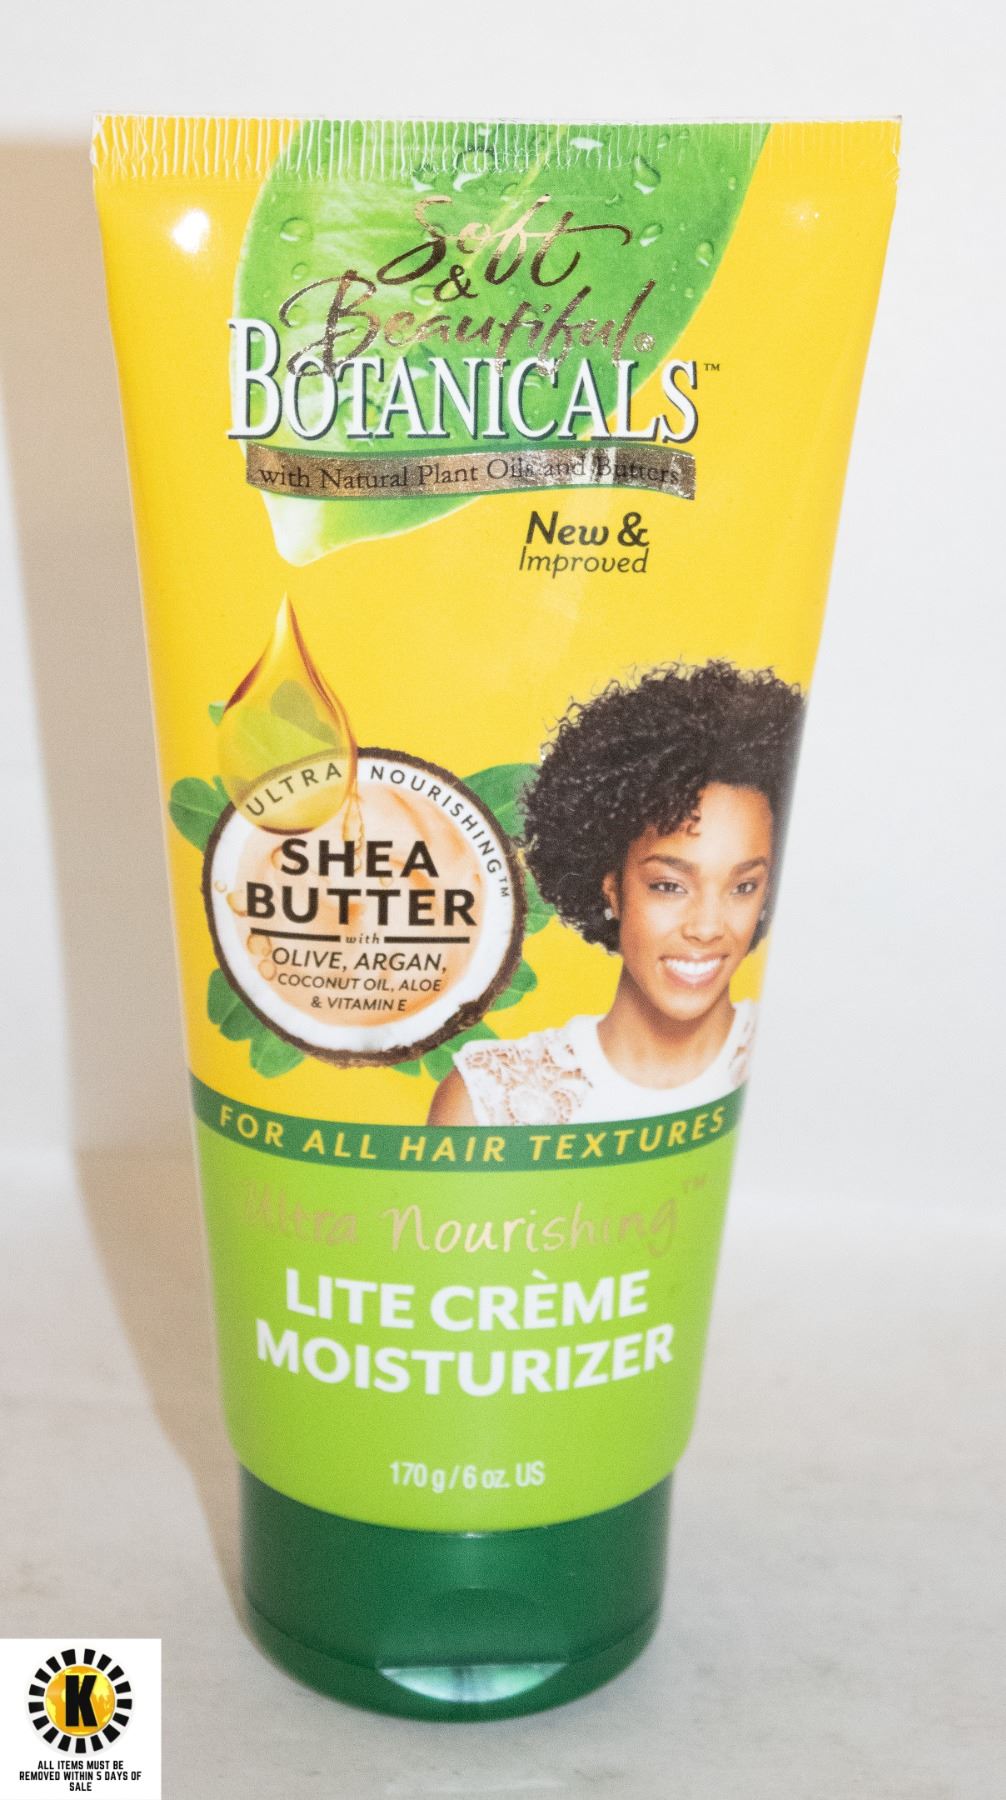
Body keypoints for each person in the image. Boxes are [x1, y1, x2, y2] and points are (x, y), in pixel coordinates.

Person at [429, 660, 805, 1127]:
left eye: (743, 886)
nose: (708, 927)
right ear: (612, 889)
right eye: (669, 886)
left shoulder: (800, 1062)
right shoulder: (489, 1101)